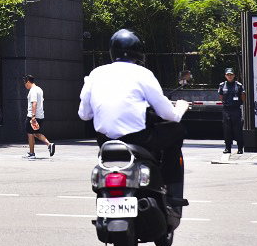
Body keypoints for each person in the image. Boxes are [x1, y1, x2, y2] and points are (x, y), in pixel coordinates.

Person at [78, 29, 189, 203]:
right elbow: (168, 114)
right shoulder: (142, 74)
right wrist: (180, 108)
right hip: (138, 139)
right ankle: (171, 191)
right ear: (138, 53)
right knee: (177, 130)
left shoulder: (96, 74)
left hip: (105, 141)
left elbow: (84, 114)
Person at [23, 75, 55, 159]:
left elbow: (34, 103)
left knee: (30, 133)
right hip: (40, 116)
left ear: (28, 82)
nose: (25, 85)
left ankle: (31, 153)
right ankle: (49, 144)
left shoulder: (33, 91)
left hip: (32, 116)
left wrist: (33, 117)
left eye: (25, 83)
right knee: (36, 133)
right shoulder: (39, 89)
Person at [217, 67, 245, 156]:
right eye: (228, 75)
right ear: (225, 76)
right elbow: (221, 96)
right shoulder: (222, 85)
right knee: (227, 129)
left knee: (237, 129)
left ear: (234, 75)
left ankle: (240, 148)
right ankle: (227, 148)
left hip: (236, 109)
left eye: (231, 75)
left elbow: (243, 97)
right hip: (226, 109)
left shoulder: (238, 85)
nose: (230, 76)